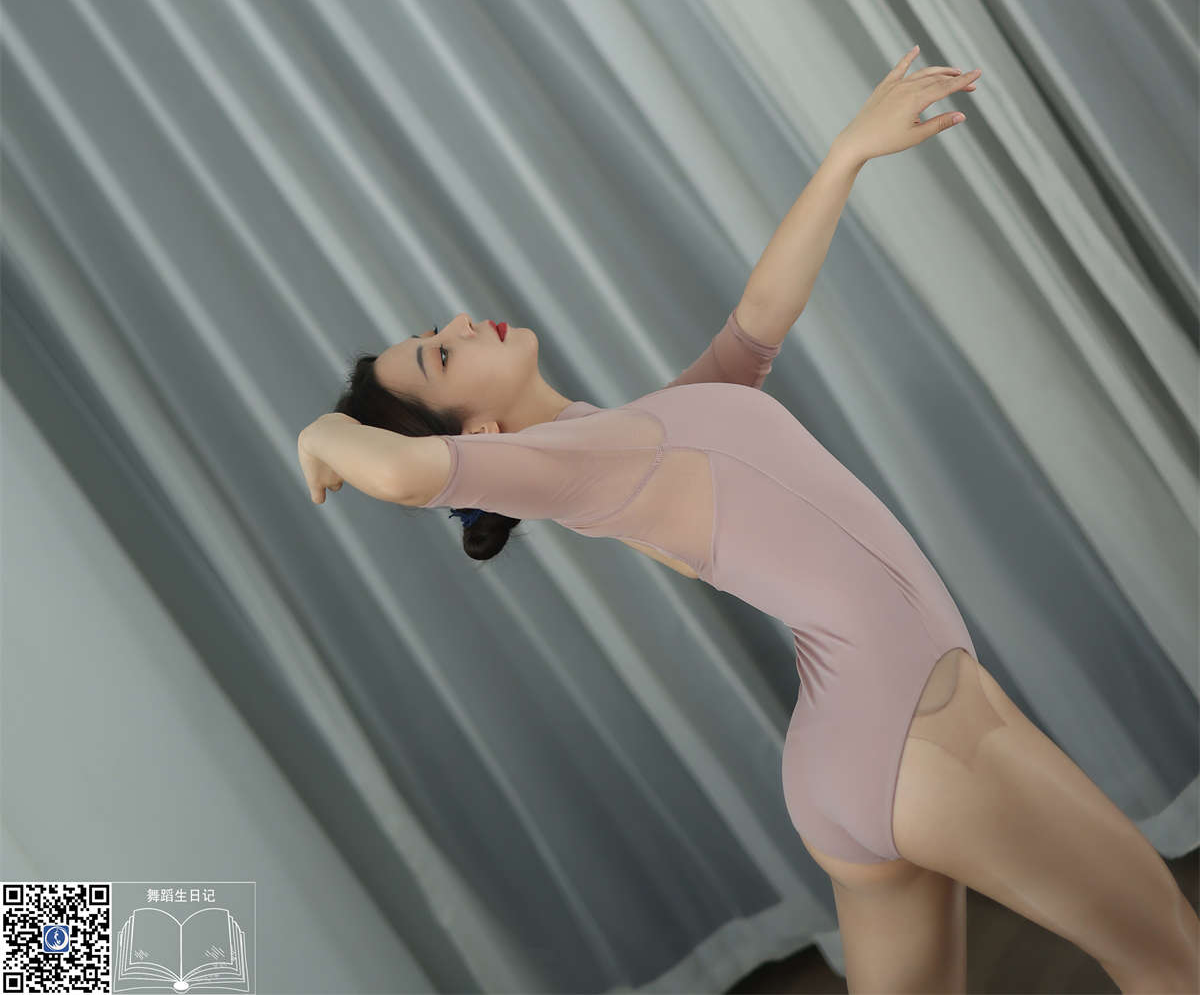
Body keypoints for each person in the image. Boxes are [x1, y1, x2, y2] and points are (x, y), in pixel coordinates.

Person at [298, 51, 1198, 994]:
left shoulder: (626, 436)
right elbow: (404, 474)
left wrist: (847, 153)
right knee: (1171, 951)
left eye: (433, 332)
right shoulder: (576, 466)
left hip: (854, 753)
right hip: (915, 732)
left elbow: (758, 321)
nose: (455, 321)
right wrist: (322, 433)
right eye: (439, 356)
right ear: (476, 434)